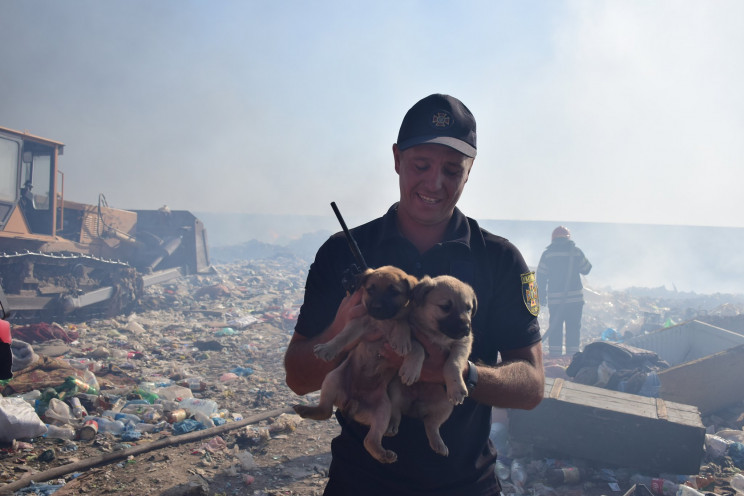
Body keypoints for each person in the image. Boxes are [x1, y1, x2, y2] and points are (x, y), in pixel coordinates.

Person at [284, 93, 544, 495]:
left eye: (452, 170)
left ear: (469, 173)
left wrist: (459, 372)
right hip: (360, 481)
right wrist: (341, 327)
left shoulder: (502, 259)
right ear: (396, 159)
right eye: (421, 165)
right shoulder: (342, 251)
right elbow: (298, 378)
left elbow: (531, 386)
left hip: (466, 484)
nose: (435, 183)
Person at [536, 226, 592, 357]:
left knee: (555, 328)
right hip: (575, 300)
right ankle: (572, 357)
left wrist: (541, 297)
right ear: (568, 238)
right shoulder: (576, 252)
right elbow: (587, 269)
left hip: (555, 300)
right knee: (573, 328)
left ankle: (555, 356)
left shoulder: (547, 254)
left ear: (553, 239)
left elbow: (541, 277)